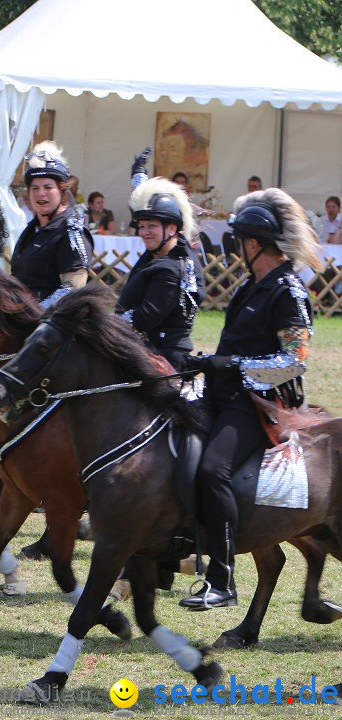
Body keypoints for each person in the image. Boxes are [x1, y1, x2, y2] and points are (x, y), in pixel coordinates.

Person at [181, 188, 322, 611]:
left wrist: (235, 366)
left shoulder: (288, 291)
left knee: (213, 469)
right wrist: (207, 364)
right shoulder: (249, 286)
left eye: (239, 241)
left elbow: (295, 360)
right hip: (222, 394)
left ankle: (221, 579)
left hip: (258, 405)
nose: (235, 249)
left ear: (254, 243)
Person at [117, 176, 202, 372]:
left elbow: (143, 319)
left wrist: (103, 324)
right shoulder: (156, 255)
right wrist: (139, 182)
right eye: (141, 226)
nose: (144, 232)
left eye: (152, 226)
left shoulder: (171, 268)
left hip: (161, 361)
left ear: (172, 228)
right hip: (144, 352)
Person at [10, 141, 93, 306]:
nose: (41, 194)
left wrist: (31, 313)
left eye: (48, 187)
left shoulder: (71, 231)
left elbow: (72, 291)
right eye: (34, 188)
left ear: (62, 190)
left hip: (49, 326)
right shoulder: (32, 229)